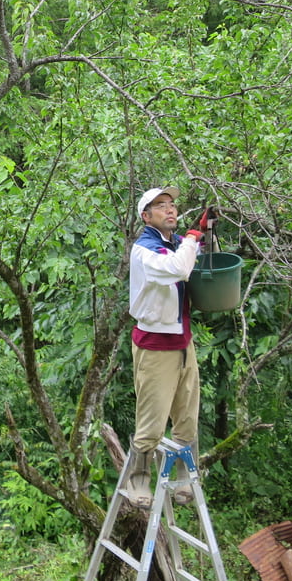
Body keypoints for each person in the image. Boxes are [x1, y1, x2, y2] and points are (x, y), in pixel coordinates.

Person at [124, 186, 210, 509]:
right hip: (156, 348)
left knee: (187, 416)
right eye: (160, 206)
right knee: (152, 423)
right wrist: (192, 236)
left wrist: (204, 233)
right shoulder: (144, 251)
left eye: (172, 205)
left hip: (183, 343)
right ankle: (138, 481)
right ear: (146, 217)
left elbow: (196, 261)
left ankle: (185, 477)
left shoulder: (172, 244)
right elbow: (179, 268)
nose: (170, 210)